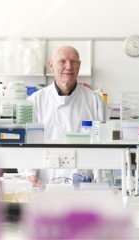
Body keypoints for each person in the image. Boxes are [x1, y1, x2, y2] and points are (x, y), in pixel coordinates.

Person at [19, 45, 107, 187]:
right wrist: (29, 174)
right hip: (44, 182)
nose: (69, 66)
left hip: (83, 183)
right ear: (51, 65)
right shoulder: (35, 101)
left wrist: (100, 177)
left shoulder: (95, 101)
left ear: (79, 65)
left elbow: (103, 144)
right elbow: (27, 143)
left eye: (73, 62)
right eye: (62, 61)